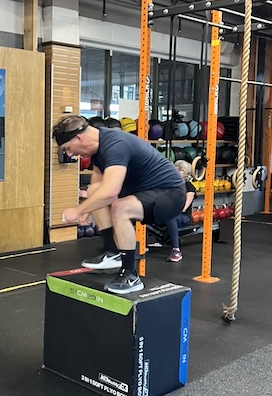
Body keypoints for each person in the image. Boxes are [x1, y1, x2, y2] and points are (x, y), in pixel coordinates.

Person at [52, 114, 186, 294]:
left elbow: (110, 192)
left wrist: (78, 210)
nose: (70, 154)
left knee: (120, 208)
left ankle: (130, 275)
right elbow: (97, 185)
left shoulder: (115, 145)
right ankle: (111, 251)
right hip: (143, 191)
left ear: (79, 138)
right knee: (93, 192)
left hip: (170, 194)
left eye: (68, 148)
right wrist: (88, 209)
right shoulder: (98, 145)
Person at [164, 159, 196, 262]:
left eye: (180, 169)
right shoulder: (173, 185)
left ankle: (176, 251)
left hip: (184, 216)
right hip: (170, 213)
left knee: (170, 217)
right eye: (176, 168)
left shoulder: (189, 186)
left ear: (186, 173)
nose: (177, 170)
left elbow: (183, 208)